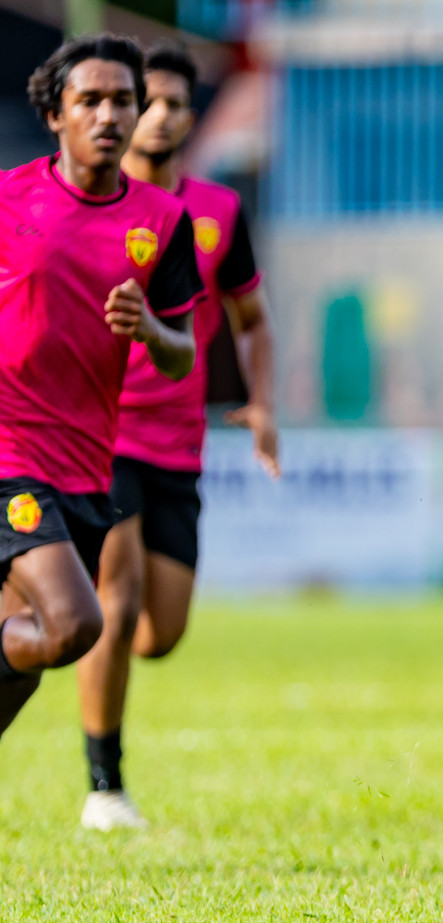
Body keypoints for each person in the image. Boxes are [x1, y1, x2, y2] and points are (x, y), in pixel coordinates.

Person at [72, 41, 279, 831]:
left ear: (191, 117)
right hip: (99, 433)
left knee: (160, 633)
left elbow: (250, 319)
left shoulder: (217, 212)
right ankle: (105, 787)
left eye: (172, 104)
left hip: (179, 442)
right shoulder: (87, 206)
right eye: (142, 101)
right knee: (116, 608)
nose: (156, 117)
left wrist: (259, 401)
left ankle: (48, 604)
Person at [0, 36, 200, 748]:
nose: (109, 114)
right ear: (55, 114)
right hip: (9, 453)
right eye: (90, 100)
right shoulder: (8, 198)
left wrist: (148, 326)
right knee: (77, 624)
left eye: (123, 99)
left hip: (88, 466)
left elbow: (183, 356)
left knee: (33, 655)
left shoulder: (163, 221)